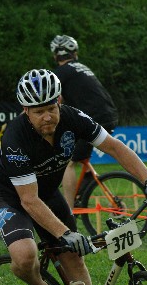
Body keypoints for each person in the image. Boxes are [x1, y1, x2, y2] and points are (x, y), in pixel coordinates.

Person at [0, 69, 147, 285]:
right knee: (25, 256)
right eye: (38, 112)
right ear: (25, 110)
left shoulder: (73, 118)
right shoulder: (14, 138)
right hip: (12, 196)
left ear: (59, 101)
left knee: (73, 257)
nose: (47, 117)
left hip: (46, 193)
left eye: (51, 108)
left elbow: (114, 147)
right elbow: (28, 201)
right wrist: (64, 232)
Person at [50, 34, 119, 208]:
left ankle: (68, 210)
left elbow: (54, 102)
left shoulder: (59, 73)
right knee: (79, 155)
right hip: (108, 115)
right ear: (74, 53)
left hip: (94, 118)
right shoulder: (81, 68)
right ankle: (86, 184)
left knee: (67, 162)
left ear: (55, 55)